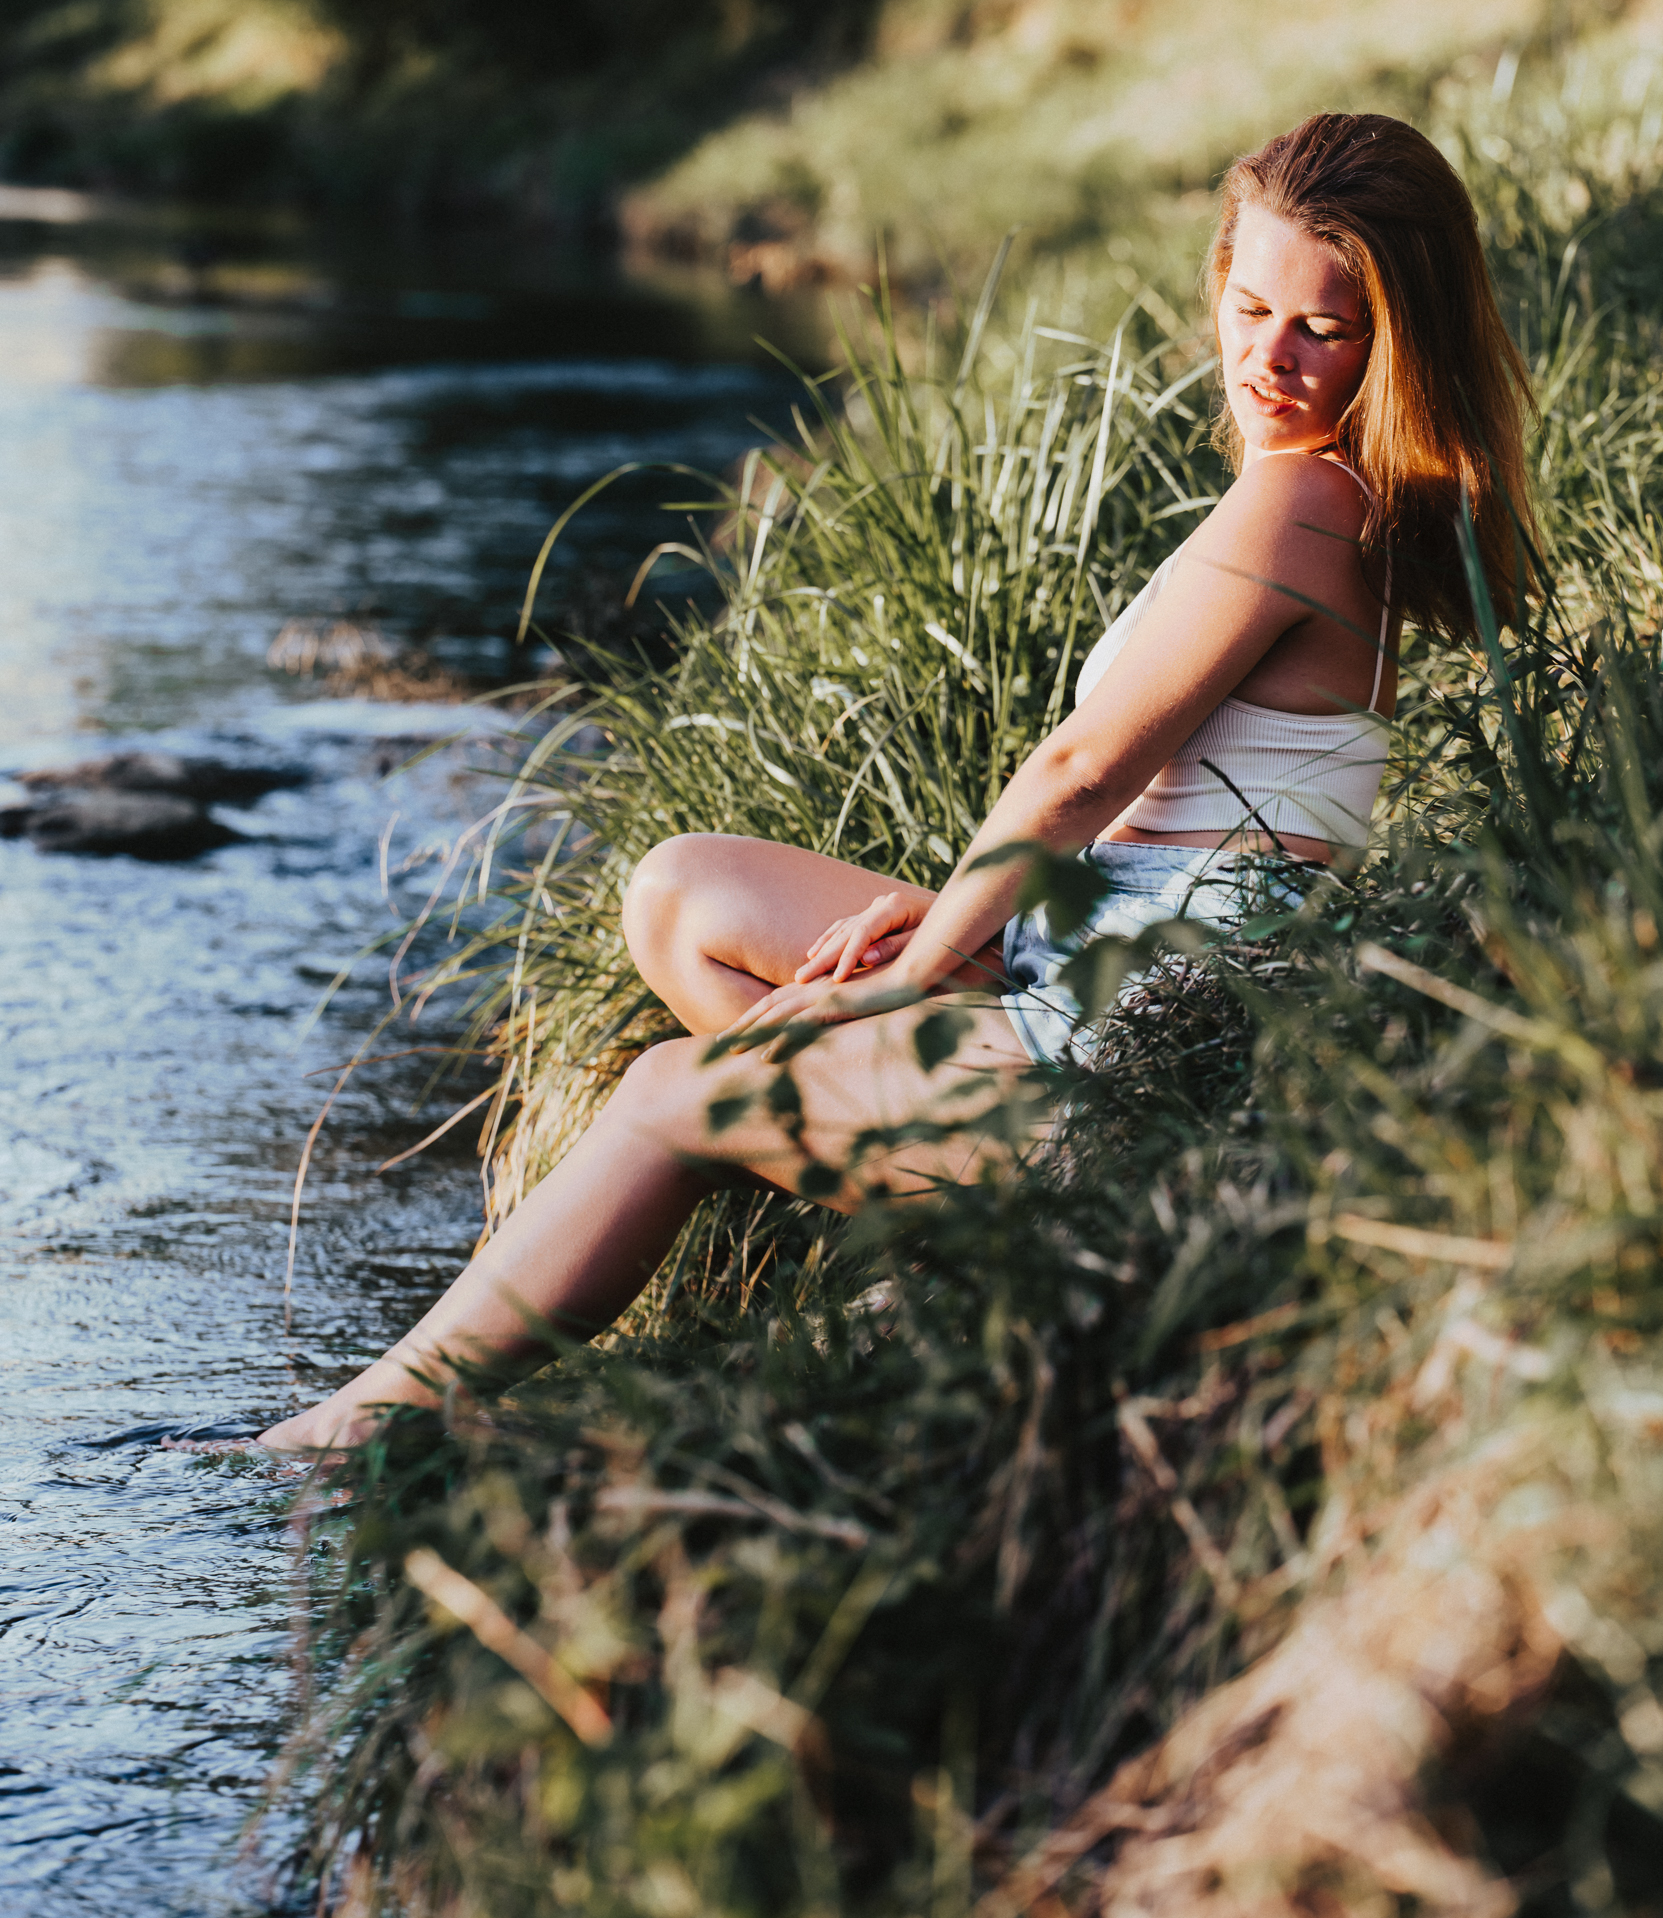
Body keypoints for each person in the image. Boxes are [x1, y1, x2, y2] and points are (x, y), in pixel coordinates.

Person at [260, 112, 1535, 1451]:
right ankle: (933, 1221)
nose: (1268, 356)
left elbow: (1082, 768)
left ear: (1396, 340)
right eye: (1251, 302)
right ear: (1217, 278)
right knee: (683, 893)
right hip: (1096, 942)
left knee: (666, 1093)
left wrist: (924, 961)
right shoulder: (1330, 497)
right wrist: (953, 927)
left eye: (1321, 330)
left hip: (1134, 1038)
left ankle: (344, 1444)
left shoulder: (1308, 508)